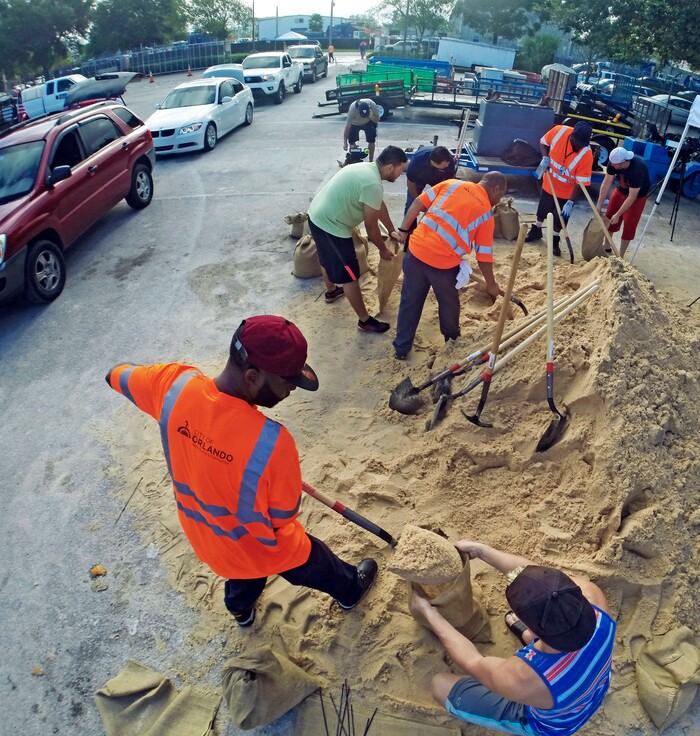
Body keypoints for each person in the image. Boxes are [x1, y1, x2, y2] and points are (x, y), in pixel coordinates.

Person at [105, 316, 378, 627]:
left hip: (207, 539)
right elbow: (282, 518)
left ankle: (240, 611)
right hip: (262, 545)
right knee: (311, 559)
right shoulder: (272, 443)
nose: (291, 390)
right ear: (252, 377)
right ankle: (351, 589)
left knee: (240, 575)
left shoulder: (173, 385)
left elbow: (115, 376)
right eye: (287, 383)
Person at [412, 540, 615, 735]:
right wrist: (481, 550)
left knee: (439, 685)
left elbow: (472, 660)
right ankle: (529, 638)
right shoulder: (591, 595)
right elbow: (541, 578)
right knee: (546, 649)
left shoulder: (521, 677)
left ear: (536, 631)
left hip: (554, 725)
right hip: (593, 689)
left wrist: (429, 614)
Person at [392, 172, 506, 360]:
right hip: (442, 266)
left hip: (415, 252)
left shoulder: (452, 184)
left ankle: (401, 348)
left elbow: (418, 203)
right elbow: (484, 256)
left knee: (409, 300)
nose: (498, 201)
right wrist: (491, 284)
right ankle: (452, 340)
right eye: (500, 196)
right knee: (449, 304)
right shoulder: (486, 213)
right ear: (496, 189)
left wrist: (403, 231)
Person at [308, 145, 407, 333]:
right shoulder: (373, 184)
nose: (400, 174)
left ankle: (331, 291)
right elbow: (371, 228)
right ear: (390, 167)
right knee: (350, 275)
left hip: (316, 214)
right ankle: (364, 320)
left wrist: (392, 230)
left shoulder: (366, 169)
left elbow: (379, 205)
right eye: (401, 169)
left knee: (326, 255)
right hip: (331, 226)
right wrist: (383, 250)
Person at [525, 122, 594, 257]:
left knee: (561, 218)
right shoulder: (559, 132)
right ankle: (536, 229)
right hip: (550, 182)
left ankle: (554, 239)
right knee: (543, 208)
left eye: (582, 144)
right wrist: (545, 157)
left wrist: (571, 202)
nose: (579, 146)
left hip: (567, 191)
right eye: (577, 142)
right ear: (571, 136)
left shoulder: (586, 154)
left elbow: (581, 183)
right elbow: (543, 142)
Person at [595, 146, 651, 258]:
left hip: (637, 198)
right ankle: (606, 246)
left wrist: (619, 214)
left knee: (629, 225)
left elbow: (632, 197)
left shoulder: (637, 170)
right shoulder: (614, 163)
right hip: (620, 190)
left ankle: (621, 255)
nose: (613, 166)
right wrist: (599, 204)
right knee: (610, 216)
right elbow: (606, 183)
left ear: (624, 162)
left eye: (615, 165)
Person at [404, 145, 457, 214]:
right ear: (434, 163)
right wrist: (418, 201)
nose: (447, 166)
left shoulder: (449, 162)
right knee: (411, 206)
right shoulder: (417, 162)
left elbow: (447, 184)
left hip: (438, 178)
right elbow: (410, 183)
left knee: (440, 206)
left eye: (448, 164)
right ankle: (410, 224)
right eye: (444, 166)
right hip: (420, 177)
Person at [343, 98, 381, 162]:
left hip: (368, 122)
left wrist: (371, 117)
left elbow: (377, 119)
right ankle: (354, 157)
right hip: (355, 123)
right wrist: (345, 142)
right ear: (358, 110)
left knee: (371, 140)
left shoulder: (372, 105)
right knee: (352, 141)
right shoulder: (353, 108)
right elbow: (347, 127)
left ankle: (371, 160)